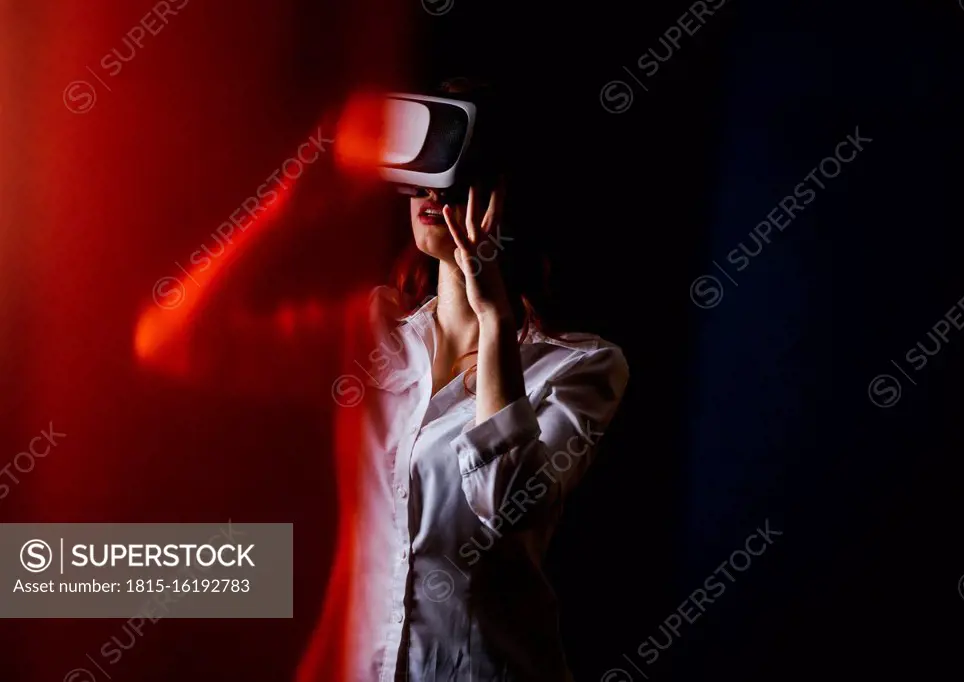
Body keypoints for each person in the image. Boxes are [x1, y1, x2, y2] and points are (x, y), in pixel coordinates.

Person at [134, 78, 628, 682]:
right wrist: (285, 206)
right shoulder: (371, 333)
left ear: (508, 186)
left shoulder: (581, 367)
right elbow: (172, 341)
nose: (432, 185)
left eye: (460, 158)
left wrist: (496, 321)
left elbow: (511, 507)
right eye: (425, 157)